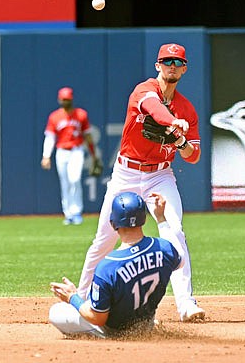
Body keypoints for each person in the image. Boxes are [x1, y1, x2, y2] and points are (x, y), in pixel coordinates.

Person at [76, 43, 205, 322]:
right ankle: (82, 298)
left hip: (160, 175)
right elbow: (153, 109)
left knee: (174, 230)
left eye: (178, 62)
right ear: (158, 66)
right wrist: (172, 123)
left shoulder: (187, 109)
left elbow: (193, 156)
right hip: (127, 174)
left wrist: (180, 140)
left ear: (184, 69)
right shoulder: (144, 90)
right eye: (167, 61)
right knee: (104, 240)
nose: (172, 65)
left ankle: (186, 304)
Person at [49, 191, 183, 338]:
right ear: (144, 219)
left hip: (114, 332)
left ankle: (100, 336)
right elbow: (180, 259)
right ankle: (143, 327)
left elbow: (97, 318)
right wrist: (161, 219)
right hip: (146, 323)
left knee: (56, 311)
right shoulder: (164, 249)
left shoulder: (107, 266)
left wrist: (72, 297)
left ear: (113, 224)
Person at [41, 87, 100, 225]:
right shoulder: (54, 117)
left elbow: (88, 136)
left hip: (76, 150)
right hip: (61, 151)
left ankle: (76, 211)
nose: (65, 102)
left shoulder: (81, 115)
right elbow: (50, 138)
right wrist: (46, 156)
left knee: (75, 179)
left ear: (71, 99)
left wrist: (94, 155)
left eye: (67, 99)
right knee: (65, 183)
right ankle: (68, 214)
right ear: (59, 99)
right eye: (63, 99)